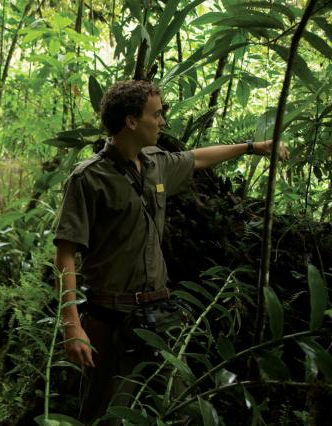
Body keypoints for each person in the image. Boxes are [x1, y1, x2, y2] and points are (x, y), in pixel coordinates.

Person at [53, 80, 289, 423]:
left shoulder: (154, 163)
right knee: (101, 412)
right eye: (157, 114)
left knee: (180, 407)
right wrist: (71, 324)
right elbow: (65, 254)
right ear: (132, 121)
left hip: (159, 314)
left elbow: (195, 159)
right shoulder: (89, 178)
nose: (163, 122)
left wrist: (254, 147)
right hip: (109, 317)